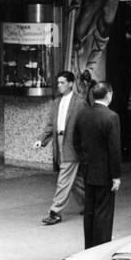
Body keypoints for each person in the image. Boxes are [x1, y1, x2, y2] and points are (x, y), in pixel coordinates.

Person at [77, 81, 121, 249]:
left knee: (90, 211)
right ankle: (101, 247)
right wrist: (116, 176)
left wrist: (85, 160)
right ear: (109, 94)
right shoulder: (111, 116)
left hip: (88, 171)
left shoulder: (83, 114)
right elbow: (114, 148)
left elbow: (76, 141)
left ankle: (89, 247)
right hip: (105, 173)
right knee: (104, 213)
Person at [39, 70, 85, 226]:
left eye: (62, 82)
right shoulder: (57, 102)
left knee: (64, 177)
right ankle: (89, 204)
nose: (59, 85)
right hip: (59, 140)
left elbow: (84, 125)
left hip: (72, 143)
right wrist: (42, 140)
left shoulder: (80, 102)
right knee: (75, 179)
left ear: (71, 84)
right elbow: (51, 124)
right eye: (58, 83)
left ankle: (55, 212)